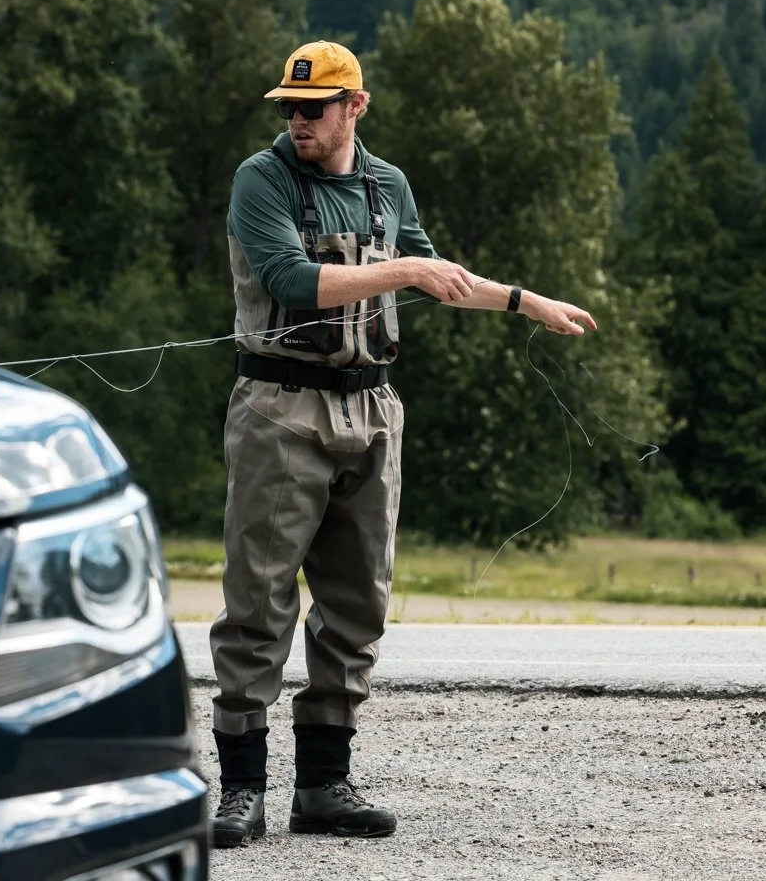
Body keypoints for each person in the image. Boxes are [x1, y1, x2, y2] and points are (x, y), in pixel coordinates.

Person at [209, 41, 597, 848]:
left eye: (313, 108)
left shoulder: (387, 186)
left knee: (358, 606)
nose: (298, 121)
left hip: (372, 410)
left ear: (355, 106)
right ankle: (242, 790)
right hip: (280, 409)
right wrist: (405, 272)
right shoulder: (261, 179)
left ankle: (323, 787)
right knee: (258, 606)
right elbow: (293, 281)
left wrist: (527, 302)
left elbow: (438, 274)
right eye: (288, 108)